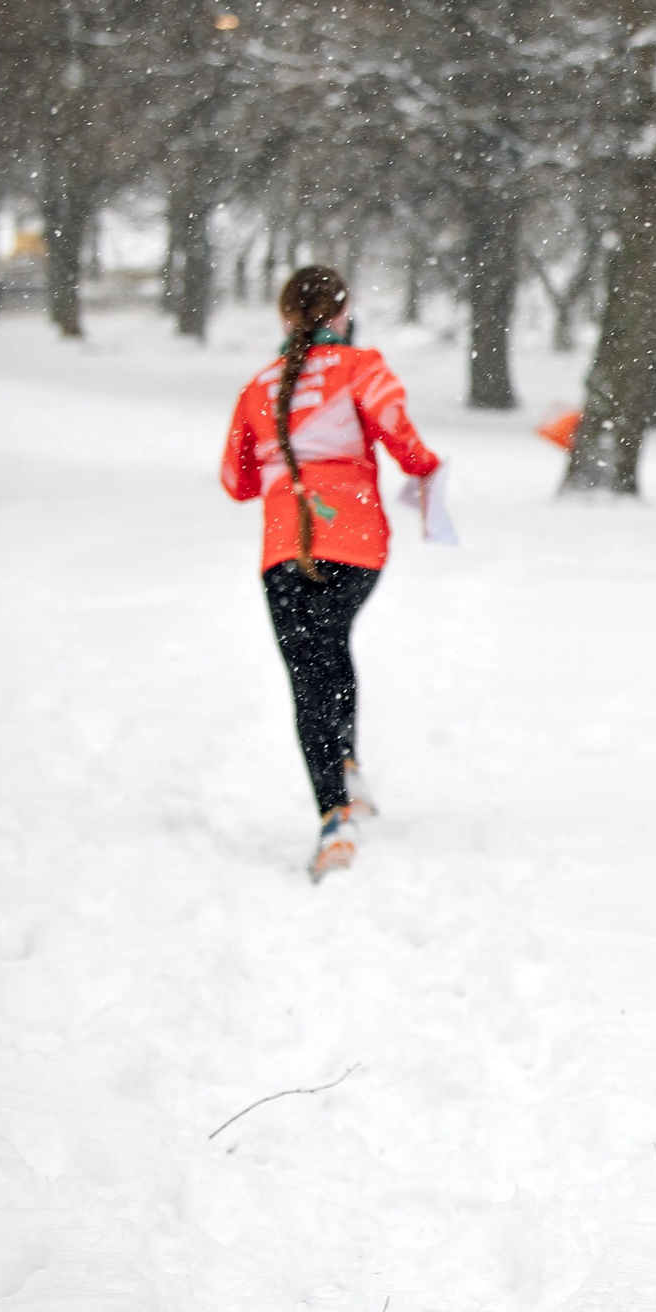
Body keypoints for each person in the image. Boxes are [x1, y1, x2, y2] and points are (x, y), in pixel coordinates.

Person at [220, 266, 444, 881]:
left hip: (283, 550)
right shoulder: (362, 367)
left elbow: (236, 482)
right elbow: (405, 443)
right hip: (356, 543)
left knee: (307, 672)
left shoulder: (258, 387)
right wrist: (424, 472)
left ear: (284, 318)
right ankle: (344, 763)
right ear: (342, 315)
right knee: (330, 647)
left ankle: (333, 815)